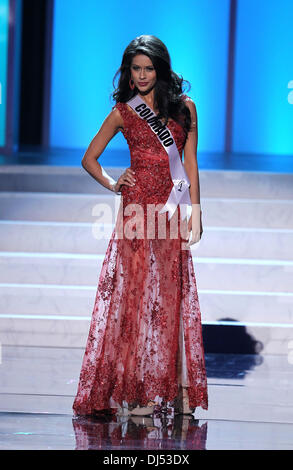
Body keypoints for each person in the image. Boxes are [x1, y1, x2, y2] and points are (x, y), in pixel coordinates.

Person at [72, 34, 208, 418]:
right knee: (132, 298)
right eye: (136, 68)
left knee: (169, 299)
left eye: (149, 68)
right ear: (128, 73)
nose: (142, 75)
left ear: (160, 69)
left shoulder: (186, 109)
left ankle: (175, 389)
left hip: (168, 211)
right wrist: (115, 183)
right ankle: (135, 390)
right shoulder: (123, 111)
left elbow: (191, 163)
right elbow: (89, 159)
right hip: (134, 210)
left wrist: (196, 212)